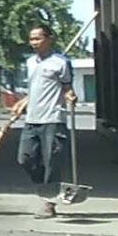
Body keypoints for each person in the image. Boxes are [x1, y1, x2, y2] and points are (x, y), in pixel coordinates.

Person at [12, 24, 76, 219]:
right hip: (32, 119)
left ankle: (49, 203)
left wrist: (71, 96)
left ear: (49, 39)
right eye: (31, 39)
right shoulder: (31, 62)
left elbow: (67, 88)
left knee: (51, 162)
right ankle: (47, 188)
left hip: (53, 119)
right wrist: (21, 103)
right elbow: (32, 90)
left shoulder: (61, 63)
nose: (34, 43)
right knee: (25, 158)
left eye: (38, 39)